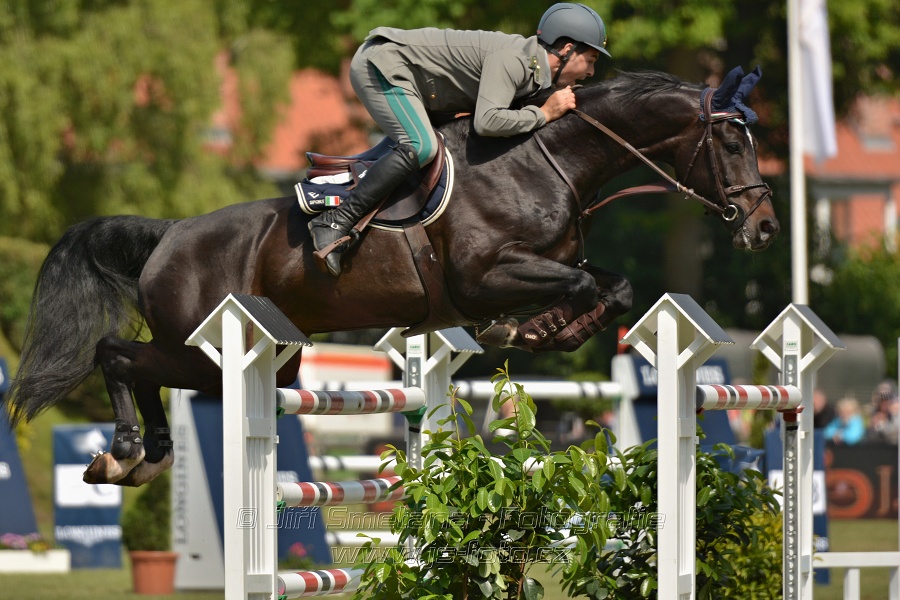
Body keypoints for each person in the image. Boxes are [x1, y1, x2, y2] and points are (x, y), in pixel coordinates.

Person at [308, 3, 611, 276]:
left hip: (417, 83)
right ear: (567, 49)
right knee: (421, 146)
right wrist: (544, 114)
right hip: (384, 67)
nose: (591, 72)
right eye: (591, 60)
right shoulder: (515, 61)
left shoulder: (532, 68)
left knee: (436, 147)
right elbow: (488, 120)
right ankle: (334, 222)